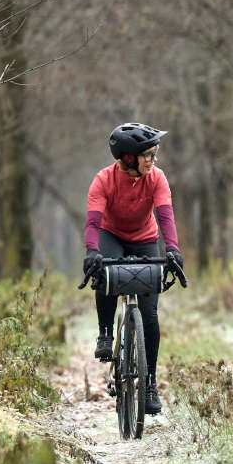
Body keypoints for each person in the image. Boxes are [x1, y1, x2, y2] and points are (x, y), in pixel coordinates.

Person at [83, 122, 184, 415]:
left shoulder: (157, 178)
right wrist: (92, 251)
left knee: (150, 314)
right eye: (148, 155)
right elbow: (92, 223)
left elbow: (166, 216)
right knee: (104, 271)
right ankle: (105, 333)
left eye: (154, 153)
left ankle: (150, 383)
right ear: (128, 158)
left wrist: (173, 249)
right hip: (110, 235)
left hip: (145, 239)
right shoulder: (103, 180)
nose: (153, 159)